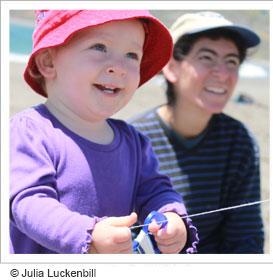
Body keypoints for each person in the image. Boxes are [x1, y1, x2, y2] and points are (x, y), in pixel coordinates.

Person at [10, 10, 199, 254]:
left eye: (132, 55)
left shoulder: (135, 142)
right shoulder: (29, 132)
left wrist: (171, 217)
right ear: (48, 62)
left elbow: (157, 190)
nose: (119, 67)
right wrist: (87, 234)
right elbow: (27, 204)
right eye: (99, 47)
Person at [131, 11, 264, 253]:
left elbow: (246, 239)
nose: (222, 73)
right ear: (171, 68)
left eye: (232, 61)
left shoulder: (238, 141)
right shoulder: (133, 141)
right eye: (207, 57)